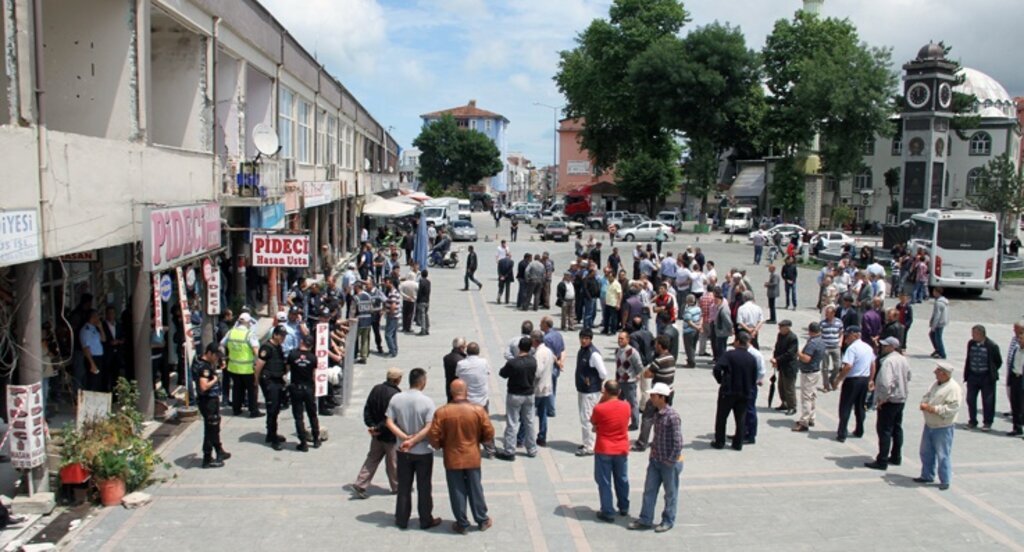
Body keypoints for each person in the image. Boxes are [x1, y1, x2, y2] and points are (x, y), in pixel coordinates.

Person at [428, 379, 495, 534]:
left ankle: (462, 523)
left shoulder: (442, 412)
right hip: (472, 455)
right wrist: (479, 440)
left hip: (452, 457)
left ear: (451, 393)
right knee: (476, 488)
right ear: (467, 392)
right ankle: (482, 519)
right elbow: (489, 432)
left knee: (456, 490)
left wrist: (441, 445)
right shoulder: (477, 410)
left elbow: (433, 436)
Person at [385, 368, 441, 530]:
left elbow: (389, 422)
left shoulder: (397, 398)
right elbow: (429, 426)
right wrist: (414, 440)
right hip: (423, 451)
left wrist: (404, 438)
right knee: (424, 487)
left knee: (404, 486)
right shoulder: (427, 401)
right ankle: (425, 519)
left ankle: (402, 518)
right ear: (422, 382)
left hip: (402, 450)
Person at [627, 382, 684, 533]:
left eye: (653, 395)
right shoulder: (657, 414)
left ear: (662, 397)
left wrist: (670, 461)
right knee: (649, 490)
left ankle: (668, 520)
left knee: (670, 493)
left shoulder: (672, 416)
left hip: (669, 463)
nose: (651, 397)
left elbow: (678, 443)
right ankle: (645, 519)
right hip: (656, 460)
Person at [351, 368, 402, 499]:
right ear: (397, 380)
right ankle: (397, 486)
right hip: (389, 435)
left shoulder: (376, 389)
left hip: (376, 435)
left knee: (372, 459)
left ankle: (361, 483)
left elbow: (367, 408)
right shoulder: (396, 395)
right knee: (393, 463)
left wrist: (372, 426)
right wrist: (378, 428)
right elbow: (390, 418)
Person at [865, 337, 911, 470]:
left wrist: (882, 399)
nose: (882, 348)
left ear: (892, 347)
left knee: (884, 430)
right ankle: (896, 456)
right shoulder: (903, 359)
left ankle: (882, 460)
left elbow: (885, 383)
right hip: (900, 399)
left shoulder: (888, 361)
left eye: (885, 346)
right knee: (897, 428)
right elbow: (909, 376)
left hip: (889, 400)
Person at [914, 362, 962, 490]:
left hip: (943, 427)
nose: (935, 372)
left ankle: (945, 480)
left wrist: (933, 409)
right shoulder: (935, 384)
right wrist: (924, 403)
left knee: (943, 454)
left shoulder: (953, 388)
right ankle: (927, 475)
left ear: (944, 373)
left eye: (938, 370)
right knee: (925, 452)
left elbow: (952, 408)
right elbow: (927, 396)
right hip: (929, 424)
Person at [591, 380, 631, 523]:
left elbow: (593, 422)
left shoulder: (599, 408)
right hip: (621, 448)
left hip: (604, 448)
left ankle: (607, 511)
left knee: (604, 481)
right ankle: (624, 506)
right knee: (622, 478)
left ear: (605, 392)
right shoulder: (626, 406)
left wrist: (602, 400)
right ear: (619, 392)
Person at [712, 332, 758, 451]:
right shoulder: (751, 358)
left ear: (737, 342)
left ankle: (720, 441)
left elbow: (717, 368)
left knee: (722, 417)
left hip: (728, 391)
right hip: (744, 392)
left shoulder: (729, 355)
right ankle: (738, 443)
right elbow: (754, 376)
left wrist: (721, 380)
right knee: (741, 418)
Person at [495, 337, 538, 460]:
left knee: (512, 422)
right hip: (529, 394)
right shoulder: (533, 361)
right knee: (529, 422)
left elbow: (503, 374)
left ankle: (509, 450)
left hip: (515, 394)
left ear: (519, 347)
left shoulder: (513, 363)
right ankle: (532, 449)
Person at [635, 335, 676, 451]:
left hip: (658, 394)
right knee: (664, 417)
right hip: (669, 391)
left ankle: (642, 443)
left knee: (647, 417)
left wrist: (654, 374)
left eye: (656, 344)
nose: (655, 346)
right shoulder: (671, 358)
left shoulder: (659, 360)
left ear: (660, 346)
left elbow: (646, 374)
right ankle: (662, 441)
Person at [835, 326, 875, 443]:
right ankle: (859, 430)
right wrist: (871, 379)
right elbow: (873, 364)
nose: (846, 338)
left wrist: (839, 379)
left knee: (845, 406)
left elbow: (848, 366)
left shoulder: (852, 348)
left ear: (855, 335)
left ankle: (842, 433)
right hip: (864, 379)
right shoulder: (868, 347)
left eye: (848, 335)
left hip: (852, 380)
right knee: (860, 406)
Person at [455, 342, 497, 457]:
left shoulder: (461, 364)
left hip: (467, 401)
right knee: (485, 425)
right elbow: (488, 372)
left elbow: (457, 375)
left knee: (466, 427)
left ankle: (466, 449)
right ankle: (491, 450)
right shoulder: (484, 362)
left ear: (466, 352)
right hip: (482, 400)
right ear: (478, 352)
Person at [195, 343, 230, 468]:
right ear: (209, 353)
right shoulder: (204, 368)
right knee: (211, 428)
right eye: (216, 356)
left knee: (213, 427)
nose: (217, 358)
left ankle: (216, 452)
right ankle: (209, 457)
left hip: (211, 400)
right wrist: (215, 378)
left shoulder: (204, 362)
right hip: (208, 401)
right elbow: (203, 386)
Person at [575, 328, 608, 456]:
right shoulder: (582, 351)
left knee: (587, 418)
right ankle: (587, 441)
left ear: (590, 339)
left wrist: (595, 382)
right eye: (582, 338)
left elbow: (603, 373)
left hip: (590, 392)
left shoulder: (593, 354)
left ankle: (590, 446)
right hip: (582, 390)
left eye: (586, 338)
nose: (583, 341)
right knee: (584, 417)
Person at [221, 312, 261, 417]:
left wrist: (223, 358)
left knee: (237, 388)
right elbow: (256, 350)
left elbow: (221, 345)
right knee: (251, 390)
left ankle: (236, 409)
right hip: (247, 368)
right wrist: (257, 362)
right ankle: (253, 411)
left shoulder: (231, 332)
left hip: (233, 367)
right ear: (248, 322)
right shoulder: (249, 334)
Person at [963, 324, 1002, 431]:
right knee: (970, 399)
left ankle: (987, 422)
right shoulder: (971, 344)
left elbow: (998, 362)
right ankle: (972, 421)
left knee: (988, 401)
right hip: (973, 376)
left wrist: (990, 372)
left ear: (981, 334)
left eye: (974, 334)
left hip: (986, 377)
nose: (972, 336)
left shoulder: (992, 346)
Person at [255, 326, 288, 450]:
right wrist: (256, 381)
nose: (283, 338)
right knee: (272, 409)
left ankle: (271, 433)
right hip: (269, 382)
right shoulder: (267, 348)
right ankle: (273, 438)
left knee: (276, 409)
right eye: (282, 336)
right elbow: (259, 365)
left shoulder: (278, 347)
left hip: (278, 380)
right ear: (275, 335)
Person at [287, 335, 321, 451]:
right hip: (308, 388)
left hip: (296, 388)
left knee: (298, 416)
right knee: (312, 414)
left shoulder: (293, 355)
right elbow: (314, 374)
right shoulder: (313, 358)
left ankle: (303, 442)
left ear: (301, 342)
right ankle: (316, 439)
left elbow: (287, 369)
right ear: (311, 346)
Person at [793, 322, 826, 432]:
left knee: (806, 397)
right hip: (816, 371)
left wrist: (798, 354)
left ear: (810, 331)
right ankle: (812, 417)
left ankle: (804, 422)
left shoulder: (812, 343)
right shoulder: (821, 341)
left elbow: (806, 358)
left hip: (808, 372)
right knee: (812, 395)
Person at [530, 330, 556, 447]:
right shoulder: (548, 351)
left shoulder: (539, 353)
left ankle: (523, 437)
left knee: (529, 414)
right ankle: (542, 437)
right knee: (543, 414)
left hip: (538, 388)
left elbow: (538, 372)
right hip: (547, 387)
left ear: (535, 341)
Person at [615, 331, 644, 432]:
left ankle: (635, 424)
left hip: (629, 382)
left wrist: (637, 377)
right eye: (619, 338)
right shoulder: (618, 351)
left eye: (622, 339)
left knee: (632, 403)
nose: (619, 340)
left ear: (628, 340)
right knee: (617, 402)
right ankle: (619, 421)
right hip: (619, 381)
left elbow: (639, 367)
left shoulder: (632, 352)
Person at [772, 320, 799, 415]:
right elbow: (777, 347)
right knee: (781, 386)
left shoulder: (792, 338)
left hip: (789, 366)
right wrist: (775, 359)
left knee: (789, 388)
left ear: (787, 328)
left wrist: (778, 359)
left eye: (781, 327)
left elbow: (790, 354)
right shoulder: (780, 335)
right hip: (782, 365)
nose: (779, 329)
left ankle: (792, 406)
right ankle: (784, 403)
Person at [1007, 321, 1024, 437]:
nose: (1019, 341)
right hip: (1015, 378)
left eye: (1022, 339)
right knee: (1015, 404)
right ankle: (1016, 428)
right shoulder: (1017, 350)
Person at [443, 338, 468, 403]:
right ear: (461, 347)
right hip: (459, 387)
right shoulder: (462, 360)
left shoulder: (446, 357)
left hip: (449, 386)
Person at [681, 294, 701, 368]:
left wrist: (696, 327)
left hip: (688, 331)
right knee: (693, 346)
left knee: (688, 347)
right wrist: (699, 326)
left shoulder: (687, 311)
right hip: (696, 331)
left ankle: (691, 362)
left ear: (687, 301)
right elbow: (701, 317)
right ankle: (691, 359)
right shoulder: (698, 309)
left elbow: (689, 322)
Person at [928, 287, 949, 359]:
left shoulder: (939, 303)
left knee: (938, 338)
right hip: (941, 322)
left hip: (939, 323)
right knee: (932, 335)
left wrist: (933, 326)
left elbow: (937, 315)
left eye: (934, 291)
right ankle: (937, 350)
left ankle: (942, 353)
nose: (933, 293)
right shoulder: (942, 301)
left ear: (937, 292)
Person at [416, 269, 431, 336]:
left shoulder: (421, 282)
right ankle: (427, 328)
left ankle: (423, 330)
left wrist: (417, 300)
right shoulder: (428, 282)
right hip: (427, 300)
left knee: (422, 316)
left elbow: (419, 292)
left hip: (422, 301)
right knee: (426, 314)